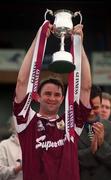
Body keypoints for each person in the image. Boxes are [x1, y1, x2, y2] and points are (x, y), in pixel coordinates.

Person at [13, 21, 91, 180]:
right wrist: (38, 40)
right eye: (47, 93)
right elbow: (22, 82)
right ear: (38, 96)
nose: (52, 98)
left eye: (57, 95)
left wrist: (79, 45)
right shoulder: (26, 121)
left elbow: (86, 88)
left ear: (63, 99)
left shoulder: (72, 122)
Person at [78, 85, 111, 180]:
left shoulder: (110, 127)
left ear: (100, 105)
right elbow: (68, 160)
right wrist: (91, 151)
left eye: (95, 107)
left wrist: (102, 145)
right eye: (87, 107)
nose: (91, 112)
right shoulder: (70, 128)